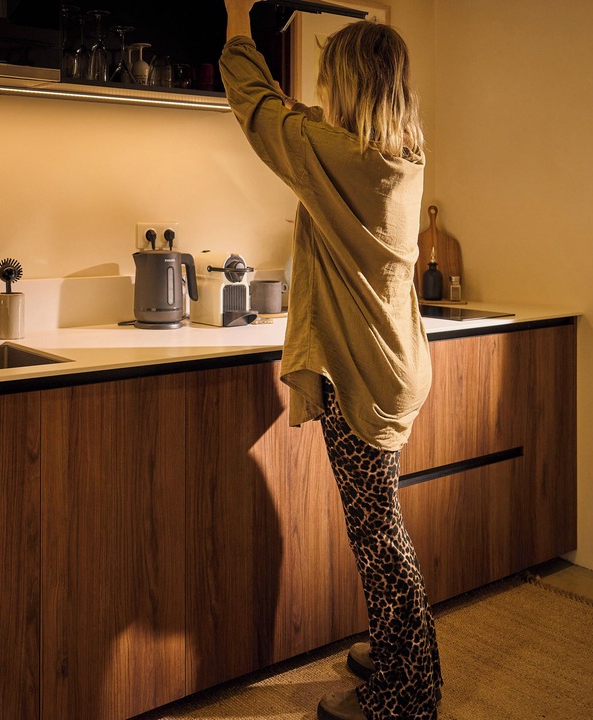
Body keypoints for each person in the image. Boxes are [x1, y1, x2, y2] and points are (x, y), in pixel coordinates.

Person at [220, 2, 443, 719]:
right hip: (392, 363)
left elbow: (257, 110)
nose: (318, 93)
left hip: (360, 371)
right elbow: (304, 122)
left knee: (378, 537)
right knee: (384, 527)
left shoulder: (337, 155)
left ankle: (407, 694)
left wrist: (236, 21)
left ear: (346, 86)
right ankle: (402, 653)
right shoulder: (397, 156)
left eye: (327, 81)